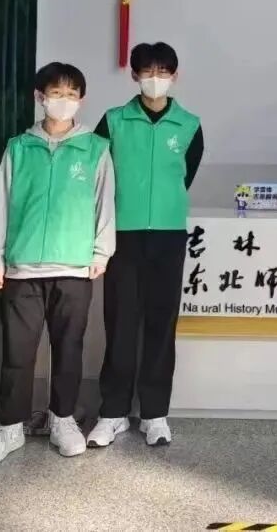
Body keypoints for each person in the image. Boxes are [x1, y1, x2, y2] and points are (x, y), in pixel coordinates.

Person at [0, 63, 115, 466]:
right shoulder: (19, 147)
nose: (63, 101)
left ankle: (63, 420)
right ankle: (10, 428)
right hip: (22, 268)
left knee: (68, 348)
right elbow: (2, 203)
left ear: (81, 100)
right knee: (17, 352)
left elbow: (104, 203)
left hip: (73, 266)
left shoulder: (95, 148)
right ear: (40, 97)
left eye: (71, 95)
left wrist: (101, 253)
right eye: (56, 93)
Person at [88, 42, 204, 448]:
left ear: (175, 76)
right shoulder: (113, 121)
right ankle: (112, 413)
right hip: (123, 234)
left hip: (168, 236)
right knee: (120, 323)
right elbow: (99, 176)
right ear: (135, 75)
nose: (156, 78)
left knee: (161, 323)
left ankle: (155, 413)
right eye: (148, 71)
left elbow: (184, 175)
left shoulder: (189, 125)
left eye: (164, 71)